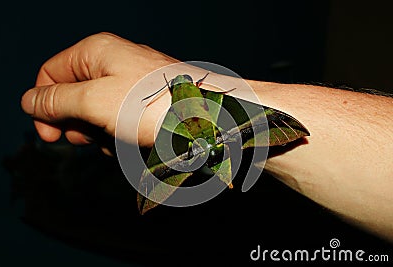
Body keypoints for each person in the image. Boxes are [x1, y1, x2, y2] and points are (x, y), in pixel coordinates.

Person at [21, 32, 393, 243]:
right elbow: (285, 126)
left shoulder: (175, 122)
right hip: (220, 136)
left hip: (199, 146)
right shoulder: (211, 103)